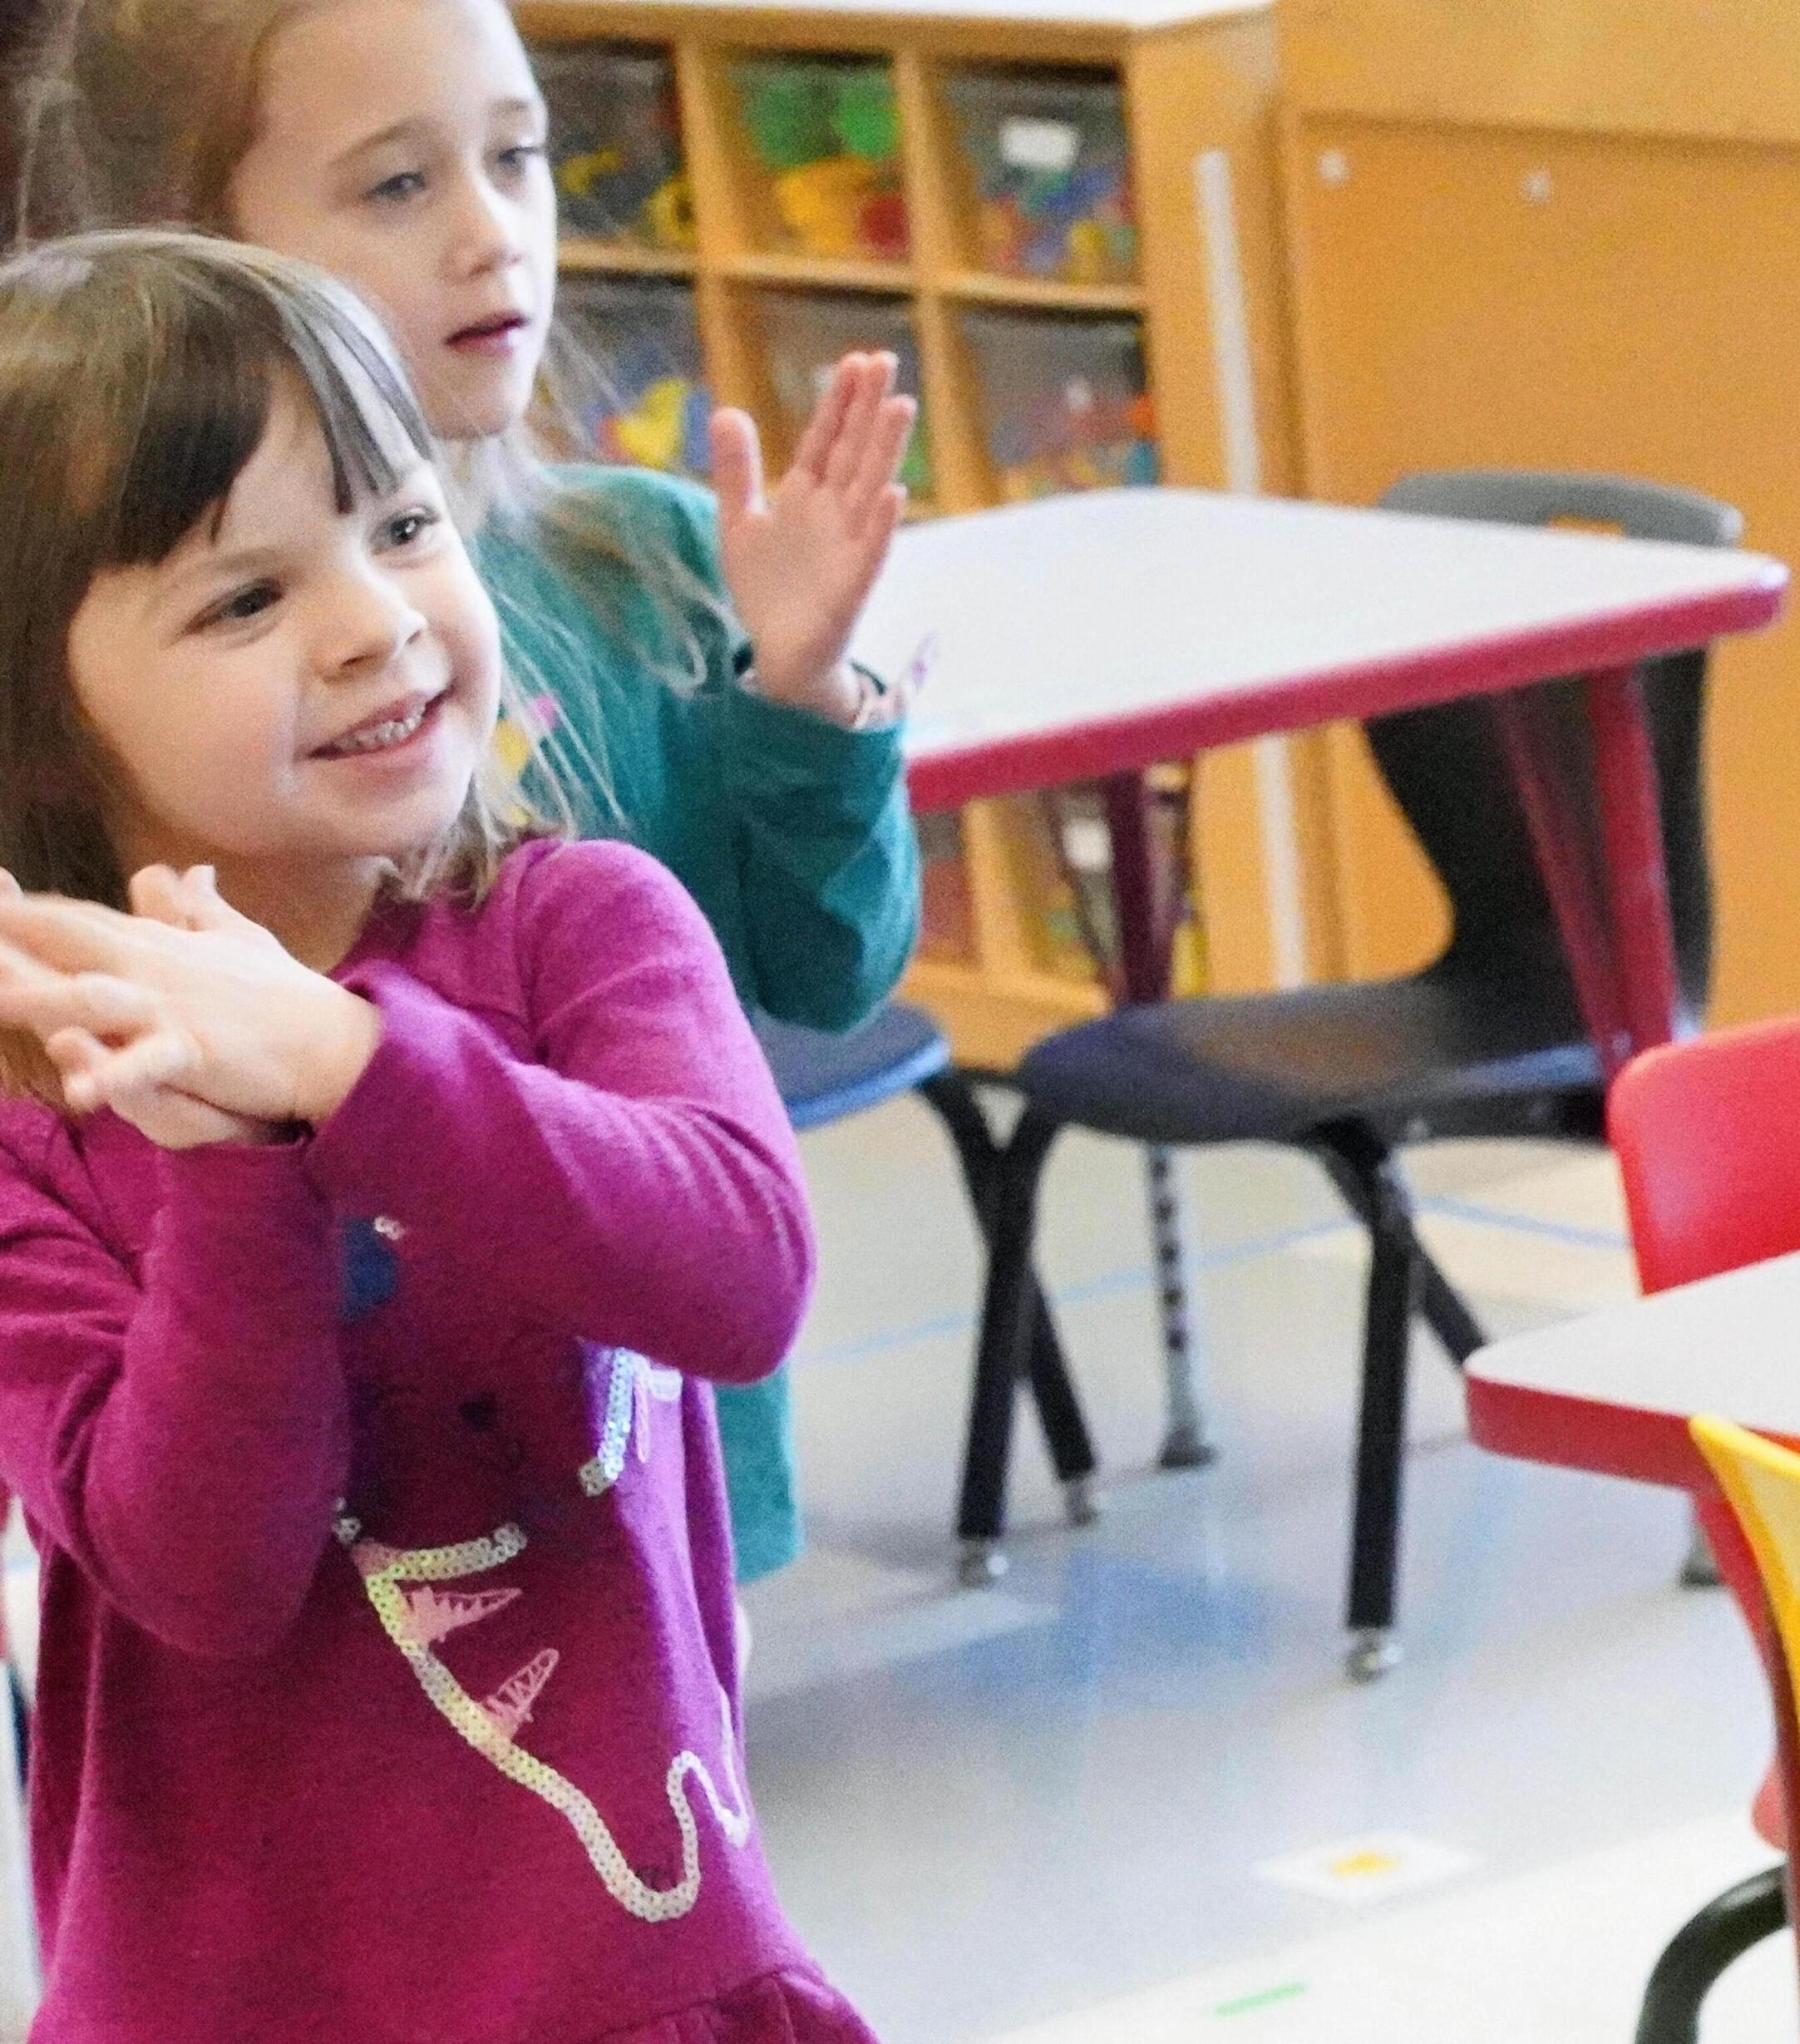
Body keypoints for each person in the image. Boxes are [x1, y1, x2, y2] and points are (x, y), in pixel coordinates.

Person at [0, 230, 854, 2040]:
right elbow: (204, 1568)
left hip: (635, 1971)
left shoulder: (580, 927)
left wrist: (352, 1066)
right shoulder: (33, 1120)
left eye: (399, 525)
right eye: (243, 598)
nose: (376, 618)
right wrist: (237, 1160)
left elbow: (737, 1270)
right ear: (45, 733)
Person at [14, 0, 930, 1578]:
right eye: (394, 185)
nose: (492, 235)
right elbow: (195, 1562)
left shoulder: (633, 600)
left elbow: (820, 996)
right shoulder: (59, 1035)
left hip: (625, 1503)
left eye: (518, 159)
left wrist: (801, 701)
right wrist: (248, 1136)